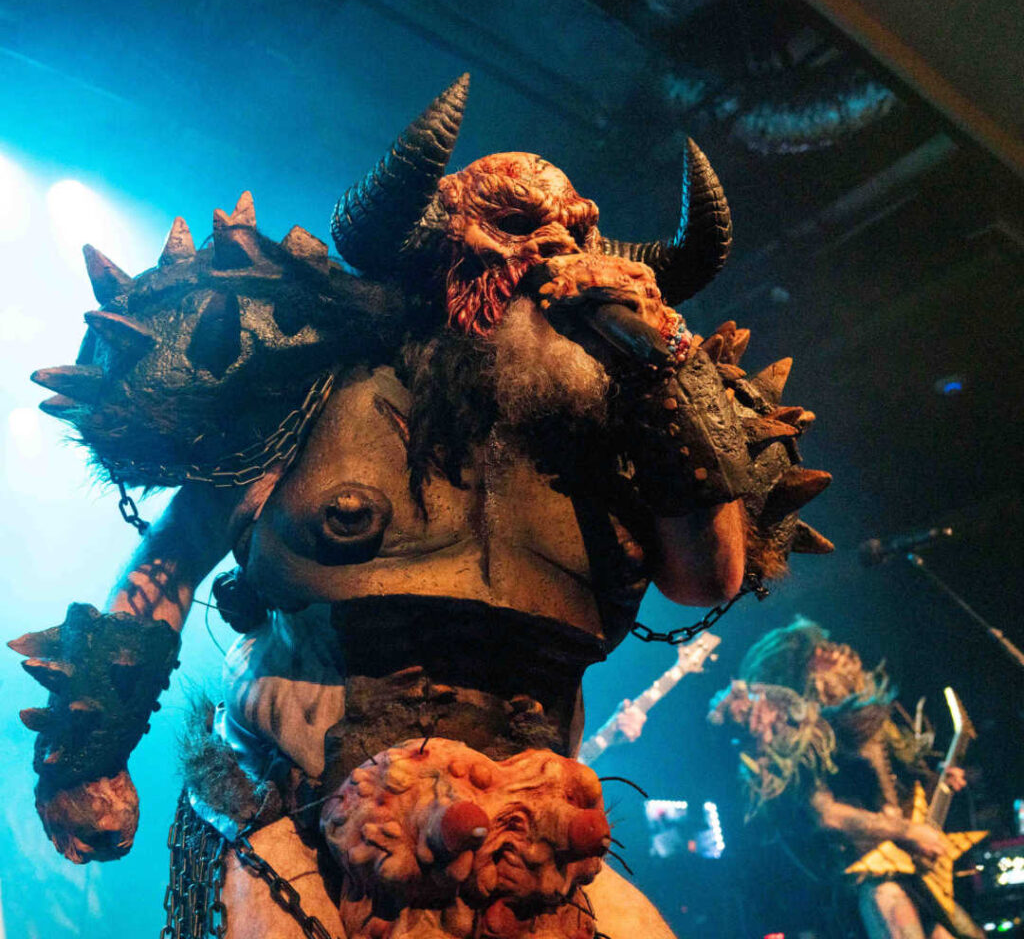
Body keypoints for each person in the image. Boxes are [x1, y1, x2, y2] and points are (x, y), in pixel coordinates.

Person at [12, 76, 831, 939]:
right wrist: (89, 753)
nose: (551, 255)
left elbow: (708, 578)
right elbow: (172, 559)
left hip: (530, 842)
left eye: (575, 235)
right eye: (517, 225)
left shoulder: (618, 437)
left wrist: (665, 361)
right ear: (444, 247)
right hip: (302, 816)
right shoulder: (313, 395)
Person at [710, 618, 983, 939]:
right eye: (818, 653)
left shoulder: (869, 719)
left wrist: (938, 779)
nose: (834, 651)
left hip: (914, 866)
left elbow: (898, 783)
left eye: (827, 646)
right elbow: (826, 814)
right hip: (867, 872)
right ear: (799, 673)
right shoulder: (805, 737)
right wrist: (907, 831)